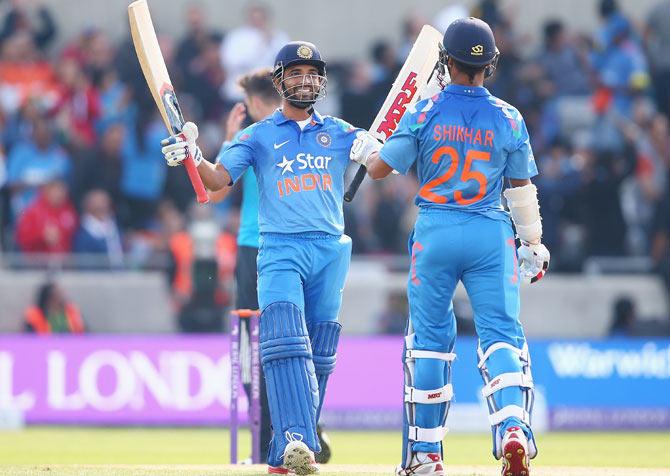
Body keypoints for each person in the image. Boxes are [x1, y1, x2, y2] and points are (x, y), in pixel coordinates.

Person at [351, 18, 550, 476]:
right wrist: (533, 243)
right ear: (490, 64)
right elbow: (521, 190)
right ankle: (513, 427)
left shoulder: (423, 110)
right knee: (501, 334)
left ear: (447, 62)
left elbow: (381, 170)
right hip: (490, 234)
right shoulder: (508, 116)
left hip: (436, 231)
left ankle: (425, 456)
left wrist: (366, 148)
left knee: (429, 343)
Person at [161, 41, 363, 475]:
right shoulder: (256, 136)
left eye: (312, 72)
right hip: (280, 248)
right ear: (279, 81)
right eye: (295, 72)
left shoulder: (342, 131)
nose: (305, 80)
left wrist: (377, 147)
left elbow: (384, 165)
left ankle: (290, 451)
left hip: (331, 250)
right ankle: (294, 440)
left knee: (321, 353)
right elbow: (218, 180)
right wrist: (194, 155)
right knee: (285, 340)